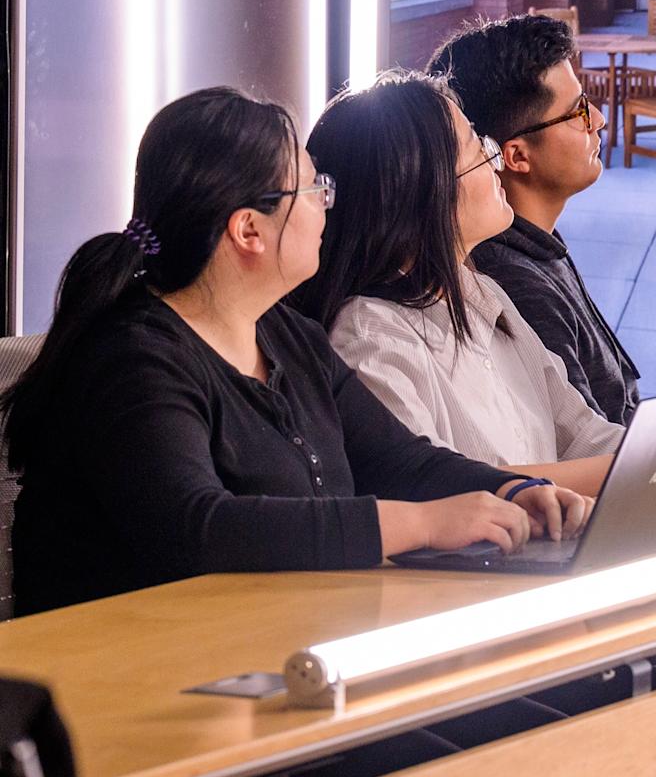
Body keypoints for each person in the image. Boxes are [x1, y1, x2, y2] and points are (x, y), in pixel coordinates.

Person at [4, 88, 585, 617]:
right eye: (313, 190)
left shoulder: (286, 335)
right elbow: (199, 528)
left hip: (269, 652)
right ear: (249, 231)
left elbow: (397, 458)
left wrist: (513, 490)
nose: (327, 206)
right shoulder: (133, 360)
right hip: (134, 683)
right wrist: (421, 523)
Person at [292, 73, 656, 499]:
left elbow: (585, 435)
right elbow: (443, 496)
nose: (496, 161)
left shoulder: (479, 292)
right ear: (420, 187)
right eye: (478, 147)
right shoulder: (371, 337)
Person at [430, 14, 643, 427]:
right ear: (515, 156)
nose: (598, 119)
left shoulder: (537, 243)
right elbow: (584, 453)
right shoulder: (512, 284)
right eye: (578, 111)